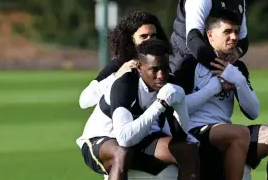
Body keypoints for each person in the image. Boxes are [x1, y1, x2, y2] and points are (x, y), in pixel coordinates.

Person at [174, 9, 268, 180]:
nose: (234, 37)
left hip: (225, 131)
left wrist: (238, 80)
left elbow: (253, 112)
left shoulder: (237, 68)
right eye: (227, 31)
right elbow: (179, 108)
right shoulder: (189, 64)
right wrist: (215, 88)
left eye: (236, 32)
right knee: (239, 133)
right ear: (210, 35)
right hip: (195, 132)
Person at [76, 38, 200, 180]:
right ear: (140, 67)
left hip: (140, 139)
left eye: (165, 69)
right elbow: (124, 139)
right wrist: (160, 105)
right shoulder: (124, 85)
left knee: (188, 150)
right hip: (102, 139)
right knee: (122, 153)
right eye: (154, 69)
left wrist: (180, 103)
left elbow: (181, 135)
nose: (161, 76)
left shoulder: (170, 83)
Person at [79, 10, 170, 109]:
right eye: (143, 37)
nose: (150, 41)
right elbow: (84, 100)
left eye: (153, 36)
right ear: (131, 40)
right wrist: (117, 75)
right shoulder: (119, 64)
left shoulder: (163, 62)